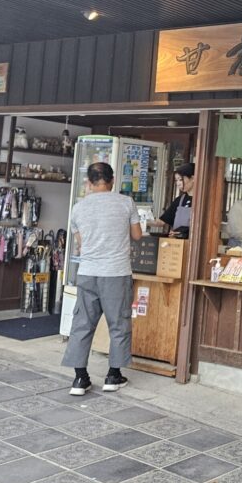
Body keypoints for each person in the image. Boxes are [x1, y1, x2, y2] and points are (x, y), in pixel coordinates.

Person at [62, 162, 142, 394]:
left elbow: (80, 243)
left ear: (88, 182)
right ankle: (113, 375)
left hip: (87, 272)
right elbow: (137, 235)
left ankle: (80, 378)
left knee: (82, 324)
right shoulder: (126, 203)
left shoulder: (78, 208)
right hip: (116, 272)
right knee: (118, 324)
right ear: (112, 180)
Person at [154, 163, 195, 238]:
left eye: (180, 179)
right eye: (176, 180)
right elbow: (162, 221)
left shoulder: (202, 202)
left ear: (192, 178)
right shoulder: (179, 200)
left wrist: (184, 233)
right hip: (177, 245)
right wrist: (143, 221)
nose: (178, 183)